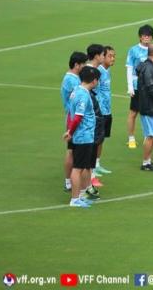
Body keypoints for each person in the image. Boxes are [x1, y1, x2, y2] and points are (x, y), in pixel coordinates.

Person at [63, 66, 101, 208]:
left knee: (83, 167)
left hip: (80, 135)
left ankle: (80, 196)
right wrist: (70, 132)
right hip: (83, 136)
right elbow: (78, 117)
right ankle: (75, 199)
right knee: (78, 168)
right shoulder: (84, 95)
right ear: (94, 80)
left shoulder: (76, 91)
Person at [125, 24, 153, 149]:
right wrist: (130, 86)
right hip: (138, 86)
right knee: (133, 112)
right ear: (140, 37)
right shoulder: (133, 50)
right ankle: (131, 138)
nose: (146, 38)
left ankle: (146, 136)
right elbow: (129, 68)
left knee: (147, 112)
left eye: (149, 36)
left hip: (150, 87)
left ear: (152, 37)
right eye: (144, 36)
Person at [61, 51, 87, 192]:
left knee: (73, 150)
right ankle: (70, 181)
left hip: (74, 118)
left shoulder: (74, 78)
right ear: (77, 65)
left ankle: (72, 181)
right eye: (83, 64)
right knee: (72, 151)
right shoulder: (72, 80)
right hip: (73, 119)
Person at [86, 44, 106, 188]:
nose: (104, 57)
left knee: (97, 143)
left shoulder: (96, 70)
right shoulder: (88, 71)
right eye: (103, 55)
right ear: (97, 56)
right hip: (91, 115)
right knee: (91, 146)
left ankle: (92, 174)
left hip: (99, 112)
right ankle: (89, 178)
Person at [95, 46, 115, 176]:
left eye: (114, 56)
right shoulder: (99, 71)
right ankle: (92, 167)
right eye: (109, 56)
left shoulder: (107, 71)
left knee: (101, 139)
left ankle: (97, 164)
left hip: (107, 110)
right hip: (100, 111)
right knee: (97, 139)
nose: (112, 58)